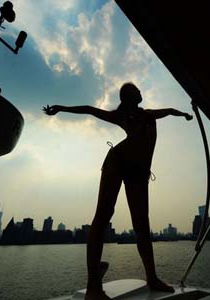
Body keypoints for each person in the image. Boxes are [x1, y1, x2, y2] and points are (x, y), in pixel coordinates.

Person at [43, 83, 192, 299]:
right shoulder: (121, 116)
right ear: (128, 97)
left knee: (142, 223)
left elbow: (169, 111)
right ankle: (93, 286)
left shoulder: (149, 115)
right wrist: (61, 108)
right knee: (103, 215)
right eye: (136, 91)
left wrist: (185, 114)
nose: (141, 93)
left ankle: (152, 277)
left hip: (139, 173)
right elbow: (89, 109)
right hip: (117, 161)